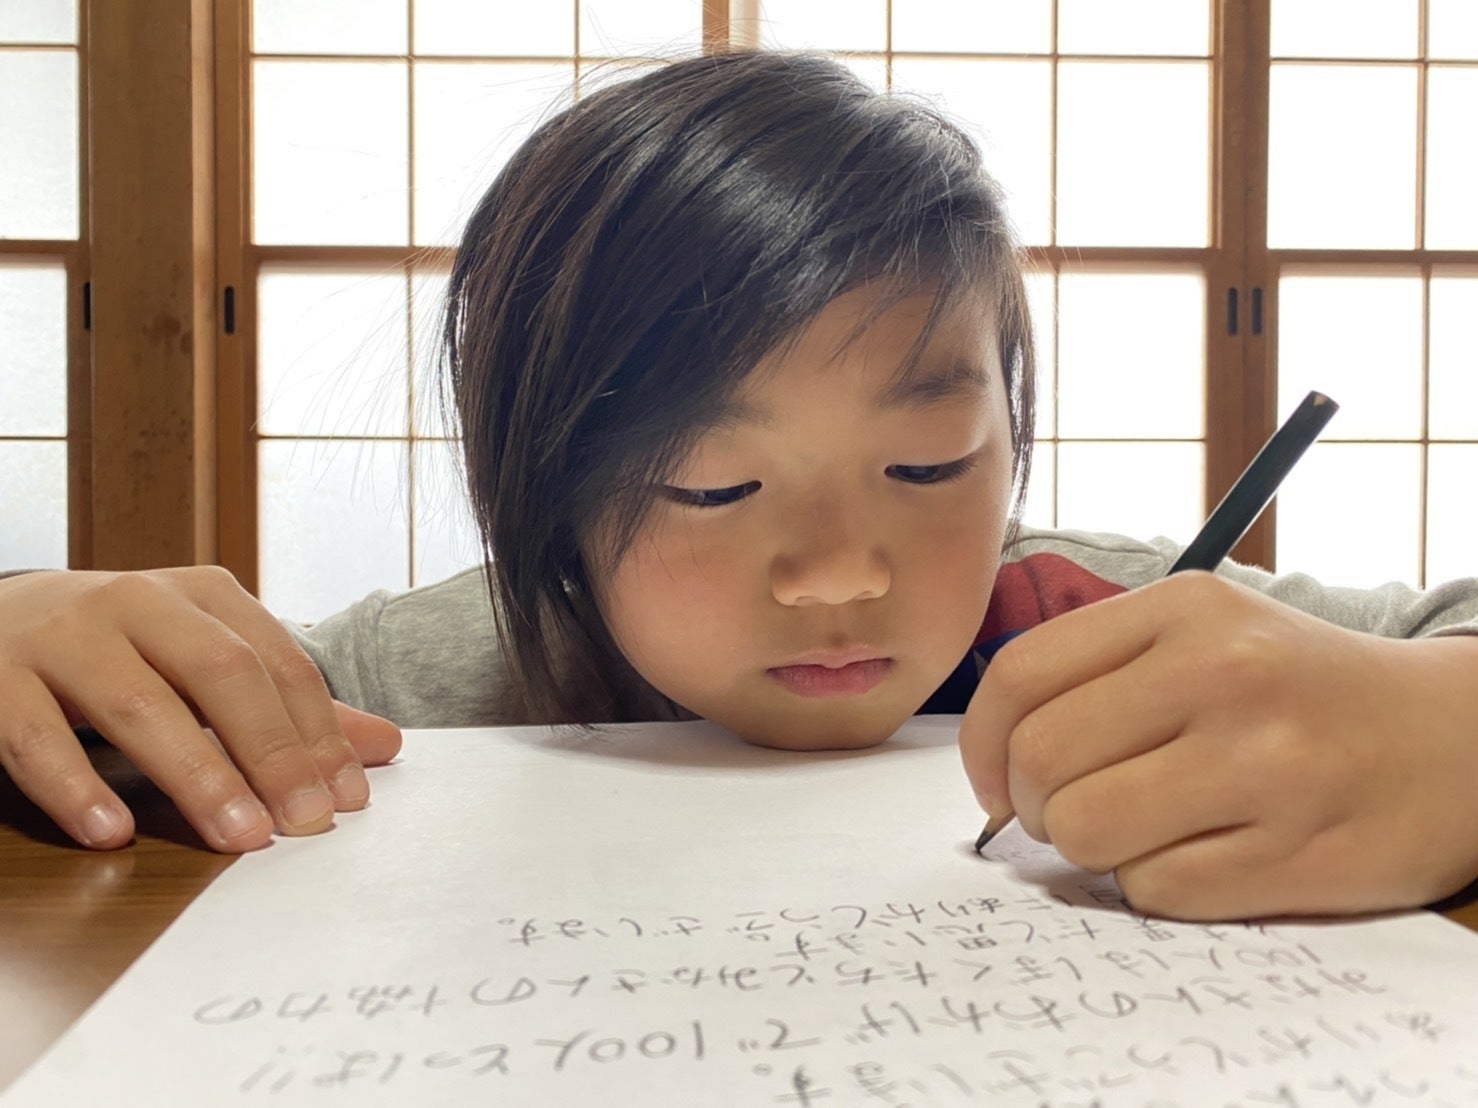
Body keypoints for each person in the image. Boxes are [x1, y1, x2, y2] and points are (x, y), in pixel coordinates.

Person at [2, 52, 1476, 922]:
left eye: (928, 465)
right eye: (711, 485)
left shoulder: (1091, 611)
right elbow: (112, 736)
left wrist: (1441, 735)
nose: (839, 573)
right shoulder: (432, 679)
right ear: (547, 492)